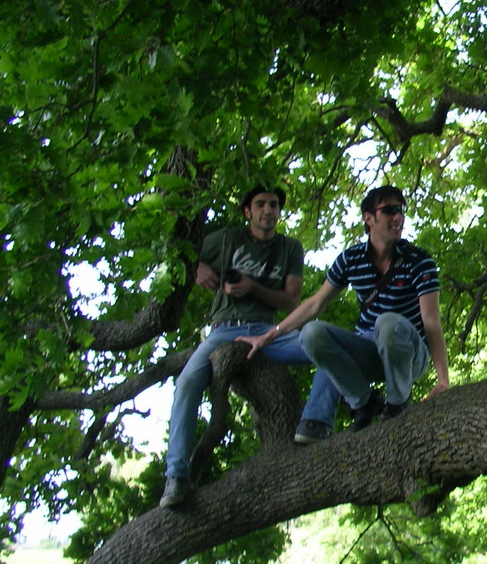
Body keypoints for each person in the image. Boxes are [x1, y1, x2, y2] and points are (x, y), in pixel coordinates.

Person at [159, 185, 339, 508]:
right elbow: (178, 248)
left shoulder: (289, 248)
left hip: (269, 333)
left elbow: (291, 301)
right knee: (186, 384)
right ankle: (176, 476)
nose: (267, 210)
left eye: (273, 205)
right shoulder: (228, 238)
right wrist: (197, 267)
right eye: (260, 204)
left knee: (328, 344)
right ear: (248, 211)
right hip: (222, 332)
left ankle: (315, 423)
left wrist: (251, 287)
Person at [238, 185, 449, 440]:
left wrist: (443, 381)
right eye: (390, 211)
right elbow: (315, 304)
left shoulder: (419, 261)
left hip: (409, 355)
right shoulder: (351, 259)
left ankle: (397, 403)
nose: (398, 217)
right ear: (369, 218)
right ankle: (365, 402)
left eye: (401, 211)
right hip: (369, 353)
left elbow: (431, 322)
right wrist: (270, 334)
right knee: (311, 333)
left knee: (388, 323)